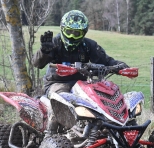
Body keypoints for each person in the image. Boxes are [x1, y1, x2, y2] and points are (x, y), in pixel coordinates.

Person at [32, 10, 129, 138]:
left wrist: (119, 66)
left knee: (101, 99)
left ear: (83, 33)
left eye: (76, 33)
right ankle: (49, 135)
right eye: (69, 31)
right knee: (61, 99)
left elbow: (106, 60)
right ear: (62, 29)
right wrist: (43, 51)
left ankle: (107, 131)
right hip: (57, 82)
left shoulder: (88, 45)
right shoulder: (54, 44)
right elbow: (37, 64)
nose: (72, 36)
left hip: (82, 83)